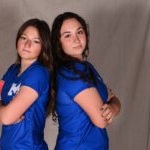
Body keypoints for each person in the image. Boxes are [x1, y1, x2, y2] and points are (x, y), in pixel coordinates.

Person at [51, 12, 121, 150]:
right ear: (58, 43)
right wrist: (113, 105)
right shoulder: (71, 73)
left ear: (86, 35)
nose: (76, 39)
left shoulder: (86, 67)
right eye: (67, 35)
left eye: (79, 32)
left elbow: (111, 98)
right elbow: (102, 120)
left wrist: (113, 106)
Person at [0, 18, 54, 150]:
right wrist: (3, 114)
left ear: (43, 47)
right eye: (23, 38)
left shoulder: (38, 73)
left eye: (36, 41)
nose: (27, 44)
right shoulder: (12, 70)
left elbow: (5, 116)